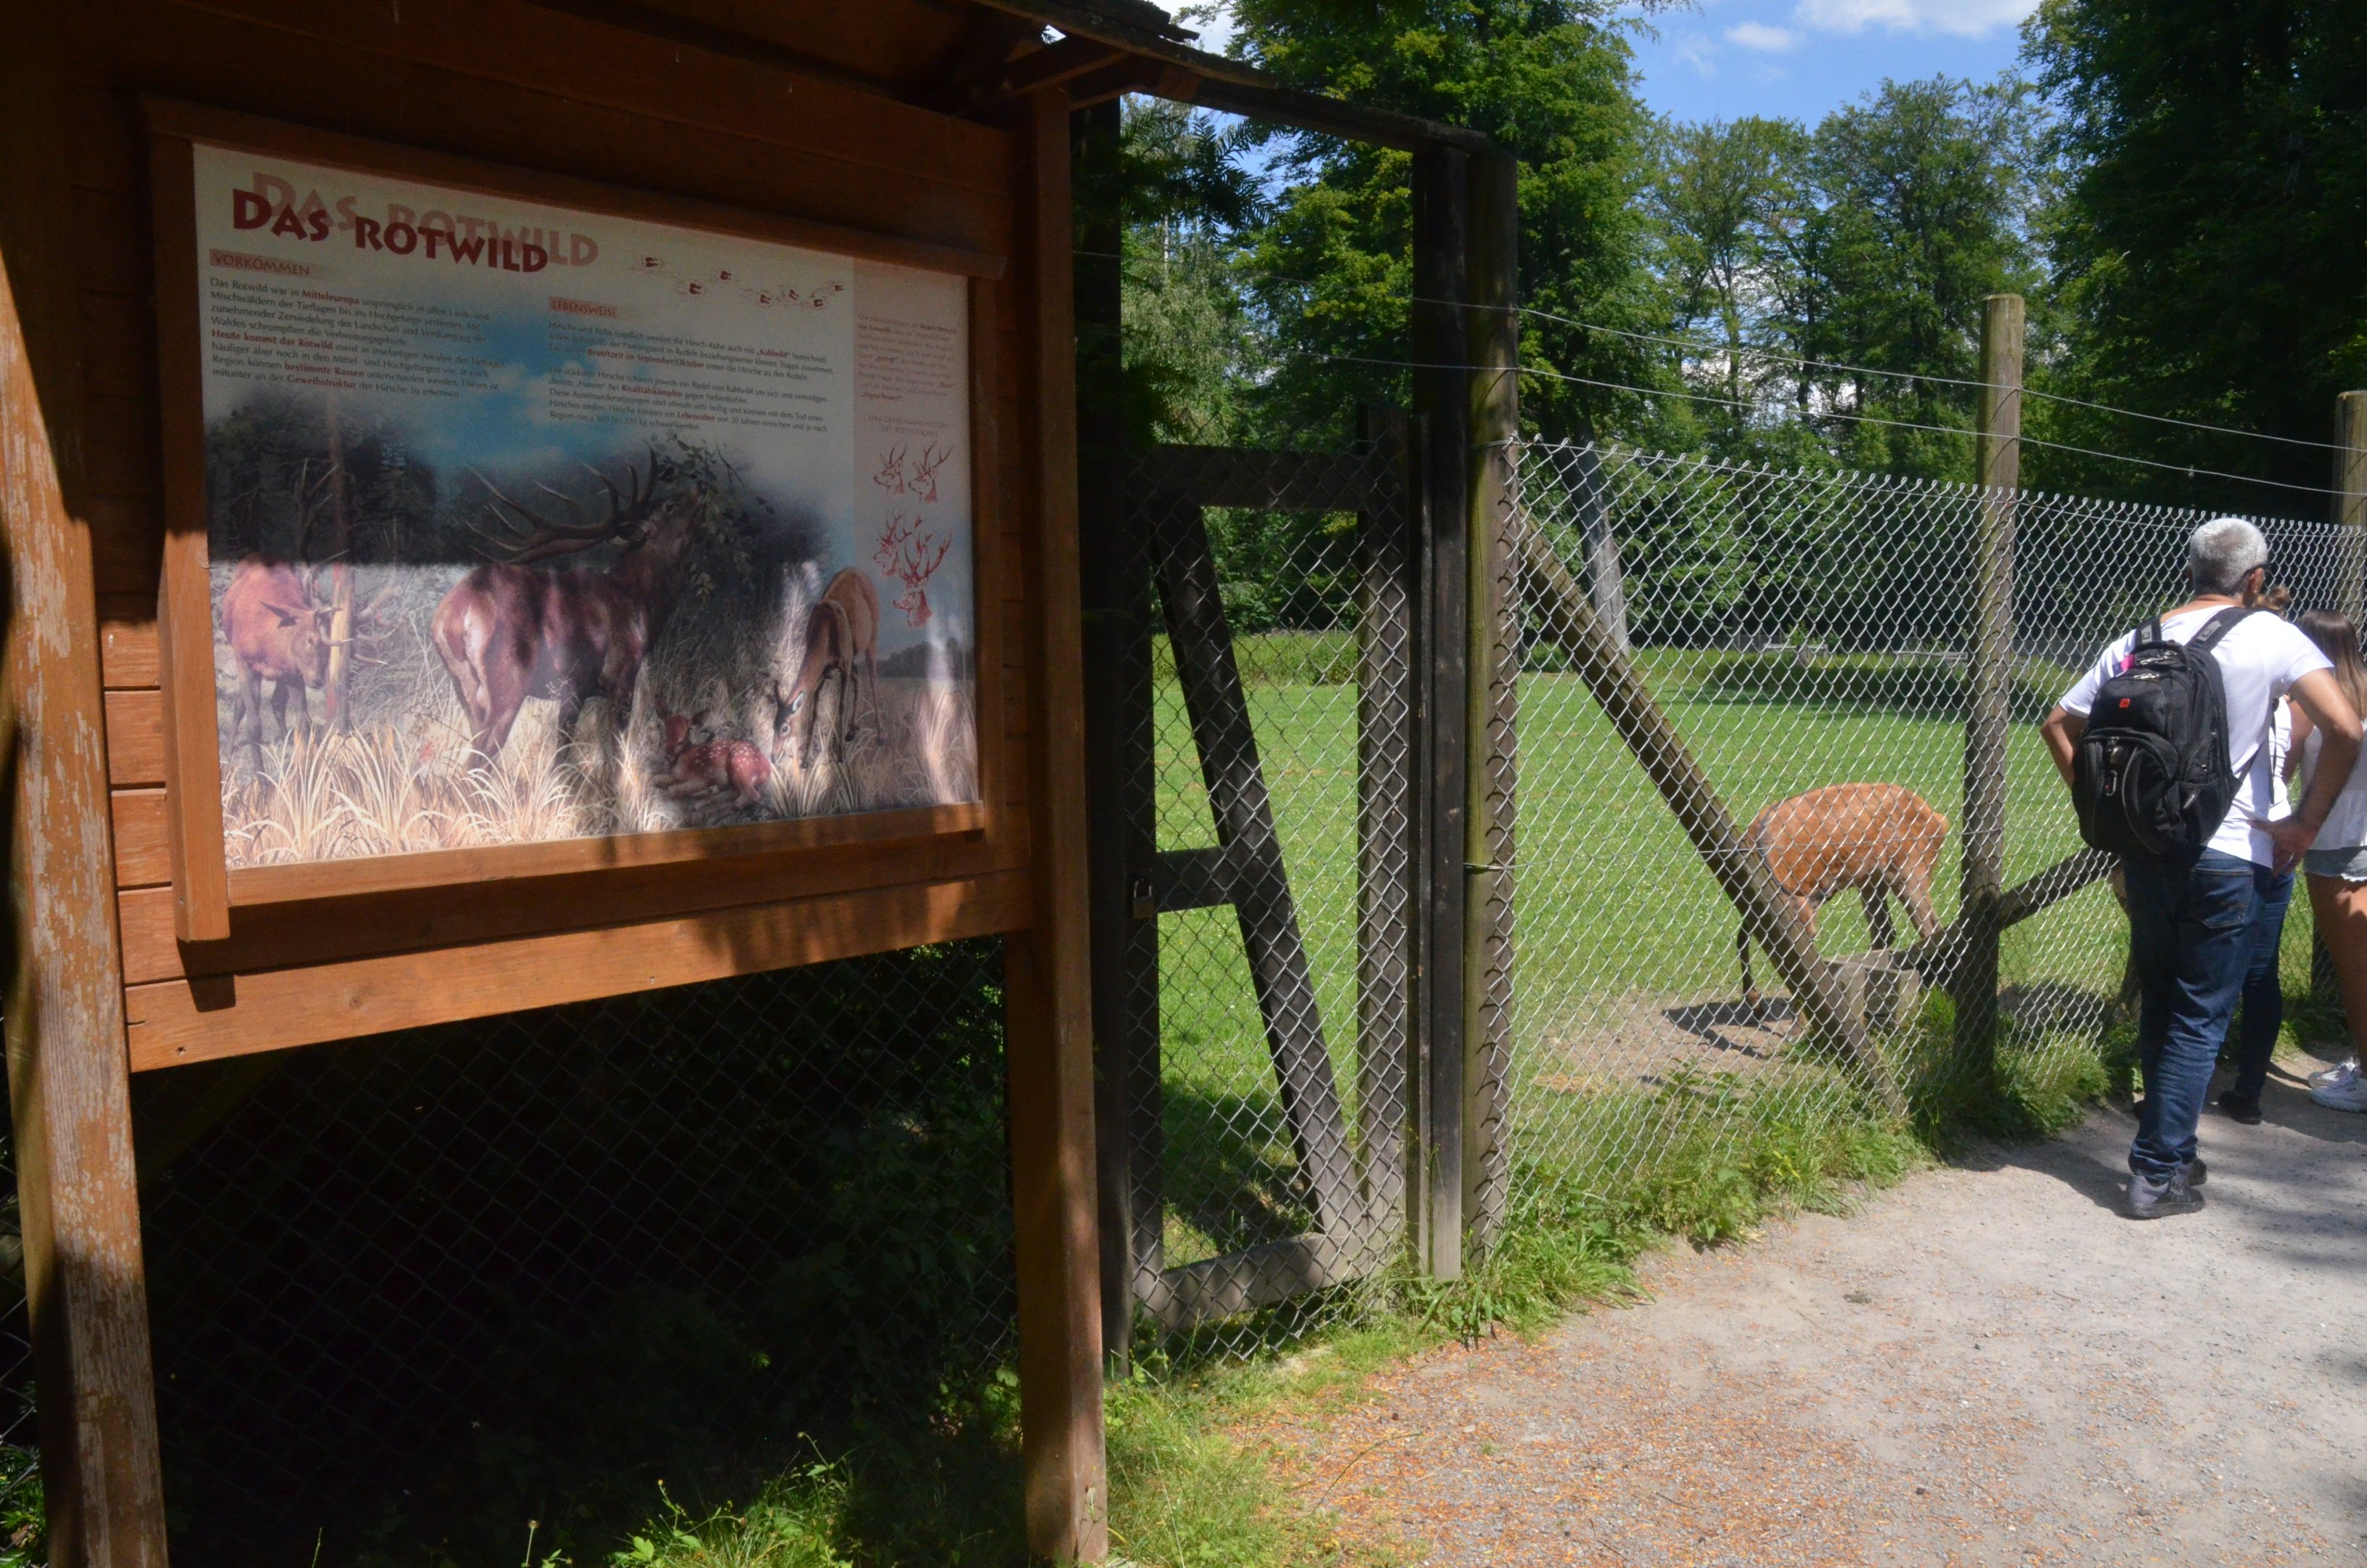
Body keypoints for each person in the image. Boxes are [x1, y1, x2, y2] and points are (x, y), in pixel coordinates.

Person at [2040, 518, 2362, 1218]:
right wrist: (2305, 822)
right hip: (2229, 856)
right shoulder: (2271, 635)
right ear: (2253, 579)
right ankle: (2155, 1174)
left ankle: (2172, 1152)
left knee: (2163, 1002)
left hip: (2149, 853)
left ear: (2190, 571)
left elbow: (2057, 723)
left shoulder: (2138, 640)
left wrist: (2104, 815)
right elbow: (2344, 728)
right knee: (2199, 1014)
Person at [2282, 608, 2367, 1114]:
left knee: (2355, 972)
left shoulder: (2311, 705)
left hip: (2332, 844)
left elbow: (2281, 767)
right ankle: (2358, 1063)